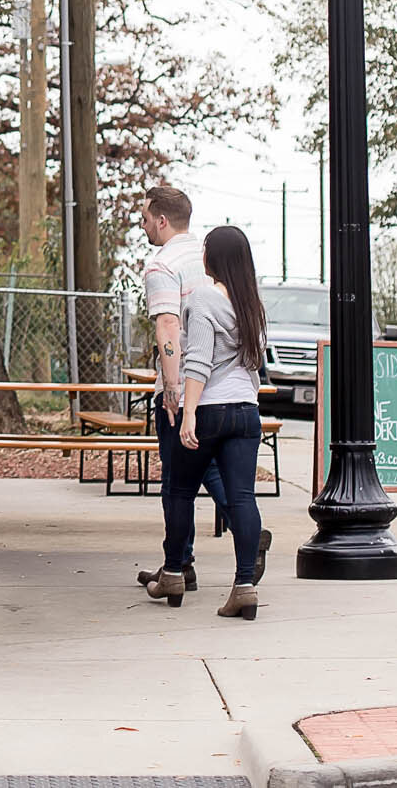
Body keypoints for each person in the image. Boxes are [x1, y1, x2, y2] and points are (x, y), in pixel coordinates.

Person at [144, 226, 271, 618]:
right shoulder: (253, 303)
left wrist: (190, 413)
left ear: (212, 259)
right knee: (242, 497)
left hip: (210, 409)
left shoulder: (203, 298)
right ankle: (244, 586)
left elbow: (197, 360)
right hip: (246, 412)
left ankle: (173, 573)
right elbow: (254, 362)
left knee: (181, 492)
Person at [133, 185, 231, 593]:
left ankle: (177, 566)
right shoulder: (207, 258)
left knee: (175, 479)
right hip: (220, 380)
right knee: (202, 465)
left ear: (161, 219)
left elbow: (168, 325)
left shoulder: (162, 265)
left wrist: (171, 388)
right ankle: (240, 532)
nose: (141, 226)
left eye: (144, 218)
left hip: (183, 380)